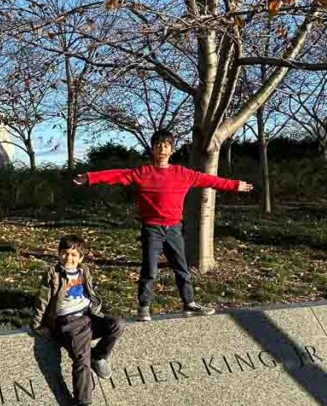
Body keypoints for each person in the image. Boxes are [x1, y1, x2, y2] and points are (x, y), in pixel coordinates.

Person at [74, 129, 252, 322]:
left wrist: (234, 185)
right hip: (152, 228)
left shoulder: (182, 173)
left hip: (174, 228)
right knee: (150, 269)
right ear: (152, 149)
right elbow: (116, 175)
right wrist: (90, 177)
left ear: (172, 149)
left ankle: (189, 303)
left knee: (181, 267)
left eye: (166, 145)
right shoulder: (142, 173)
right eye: (158, 144)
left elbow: (209, 179)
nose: (162, 148)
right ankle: (144, 307)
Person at [30, 234, 124, 406]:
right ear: (59, 254)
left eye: (73, 255)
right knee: (81, 360)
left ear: (80, 258)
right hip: (68, 323)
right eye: (64, 253)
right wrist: (38, 324)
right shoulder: (53, 274)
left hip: (88, 316)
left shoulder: (83, 271)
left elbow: (89, 292)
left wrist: (96, 309)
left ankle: (99, 355)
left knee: (117, 324)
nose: (68, 258)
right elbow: (43, 299)